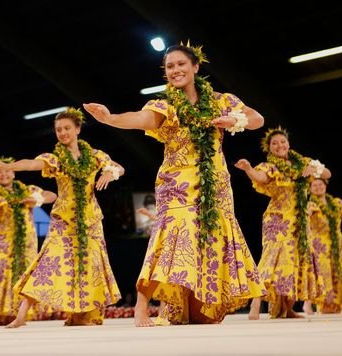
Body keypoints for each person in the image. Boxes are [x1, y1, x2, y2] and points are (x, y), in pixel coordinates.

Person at [84, 42, 267, 327]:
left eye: (181, 64)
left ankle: (196, 301)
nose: (175, 70)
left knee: (208, 242)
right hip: (176, 184)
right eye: (170, 66)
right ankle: (142, 303)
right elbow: (140, 118)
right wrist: (110, 119)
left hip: (215, 183)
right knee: (173, 238)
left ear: (195, 67)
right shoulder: (165, 104)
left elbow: (258, 118)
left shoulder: (221, 100)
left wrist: (235, 119)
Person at [0, 107, 123, 328]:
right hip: (63, 220)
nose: (63, 133)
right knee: (46, 265)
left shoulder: (97, 156)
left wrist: (110, 172)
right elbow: (32, 163)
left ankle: (84, 315)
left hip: (90, 220)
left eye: (67, 128)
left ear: (78, 129)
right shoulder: (55, 159)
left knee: (91, 267)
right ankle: (21, 316)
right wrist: (10, 166)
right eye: (59, 130)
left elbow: (120, 168)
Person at [234, 127, 330, 319]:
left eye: (282, 142)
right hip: (278, 220)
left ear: (288, 144)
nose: (279, 145)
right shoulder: (271, 166)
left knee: (295, 262)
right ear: (270, 148)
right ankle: (256, 302)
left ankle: (287, 308)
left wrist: (315, 168)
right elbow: (260, 178)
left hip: (299, 221)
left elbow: (327, 174)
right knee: (272, 259)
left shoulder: (301, 163)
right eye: (274, 143)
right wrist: (248, 169)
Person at [0, 157, 57, 327]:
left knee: (23, 277)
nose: (4, 174)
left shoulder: (27, 191)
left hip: (27, 243)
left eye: (6, 170)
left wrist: (37, 200)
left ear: (13, 172)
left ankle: (16, 315)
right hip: (5, 243)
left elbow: (51, 195)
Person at [302, 178, 342, 314]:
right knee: (321, 272)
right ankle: (309, 302)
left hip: (337, 242)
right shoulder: (311, 204)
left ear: (325, 186)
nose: (318, 187)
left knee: (337, 271)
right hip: (319, 243)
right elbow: (304, 216)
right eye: (314, 185)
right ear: (310, 188)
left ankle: (334, 304)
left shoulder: (337, 203)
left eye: (320, 184)